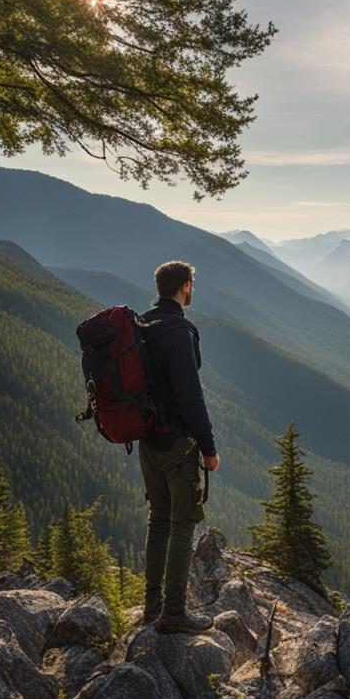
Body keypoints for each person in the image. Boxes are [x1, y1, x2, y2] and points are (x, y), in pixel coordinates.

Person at [139, 260, 222, 634]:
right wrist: (208, 447)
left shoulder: (142, 325)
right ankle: (174, 612)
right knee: (182, 522)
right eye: (193, 285)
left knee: (158, 519)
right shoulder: (180, 332)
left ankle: (151, 606)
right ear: (186, 286)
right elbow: (191, 397)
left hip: (147, 441)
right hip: (176, 444)